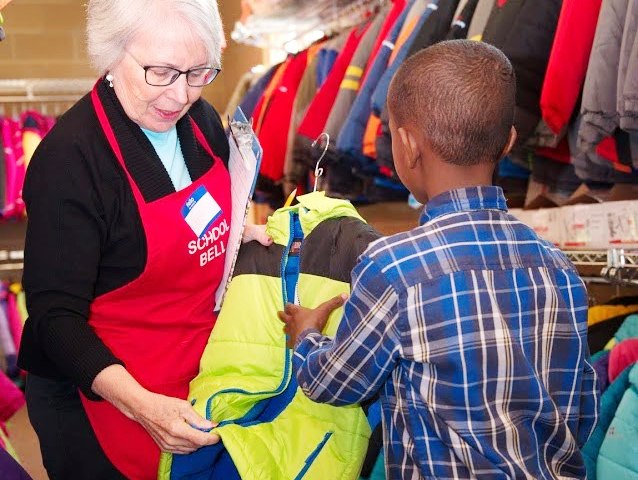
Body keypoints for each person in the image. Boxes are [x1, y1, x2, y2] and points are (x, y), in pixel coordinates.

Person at [280, 40, 599, 480]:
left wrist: (307, 336)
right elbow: (581, 410)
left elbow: (335, 383)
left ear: (407, 145)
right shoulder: (559, 268)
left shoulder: (393, 267)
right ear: (508, 142)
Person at [17, 1, 270, 479]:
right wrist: (144, 407)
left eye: (199, 72)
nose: (180, 94)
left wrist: (238, 236)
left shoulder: (202, 123)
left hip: (191, 374)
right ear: (111, 56)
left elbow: (202, 220)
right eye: (162, 72)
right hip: (103, 397)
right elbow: (56, 321)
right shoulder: (70, 161)